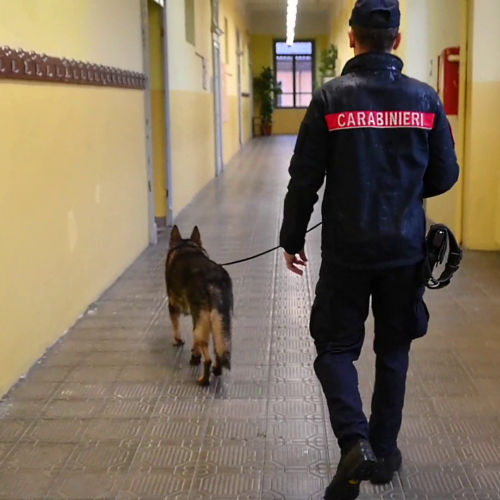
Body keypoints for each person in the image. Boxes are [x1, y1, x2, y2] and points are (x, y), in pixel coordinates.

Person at [278, 1, 460, 499]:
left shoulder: (330, 98)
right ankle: (383, 452)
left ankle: (354, 441)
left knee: (335, 347)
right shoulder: (424, 100)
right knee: (394, 350)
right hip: (404, 250)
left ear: (353, 39)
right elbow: (445, 174)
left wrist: (292, 237)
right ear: (397, 41)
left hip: (347, 251)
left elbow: (304, 178)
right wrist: (404, 184)